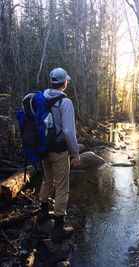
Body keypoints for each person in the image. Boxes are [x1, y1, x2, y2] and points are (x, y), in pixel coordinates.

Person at [36, 67, 80, 242]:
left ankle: (43, 212)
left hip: (43, 149)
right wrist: (76, 152)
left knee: (48, 179)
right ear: (64, 82)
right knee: (62, 186)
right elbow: (68, 131)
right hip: (59, 150)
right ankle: (59, 227)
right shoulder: (65, 102)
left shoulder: (43, 97)